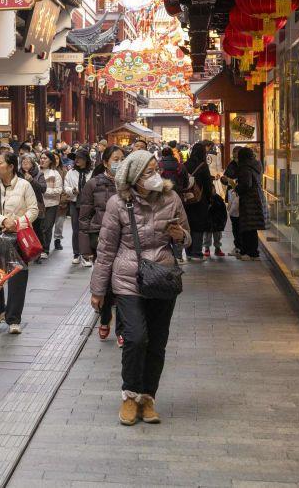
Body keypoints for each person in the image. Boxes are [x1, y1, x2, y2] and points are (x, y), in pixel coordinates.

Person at [89, 149, 189, 425]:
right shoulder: (118, 204)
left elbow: (186, 239)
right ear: (134, 177)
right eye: (148, 172)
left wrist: (180, 236)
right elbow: (106, 250)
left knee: (157, 341)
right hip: (128, 279)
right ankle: (130, 396)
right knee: (135, 338)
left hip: (162, 277)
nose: (155, 176)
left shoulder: (171, 198)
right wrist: (98, 290)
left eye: (156, 170)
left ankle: (148, 398)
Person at [0, 151, 39, 334]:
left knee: (17, 280)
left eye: (0, 163)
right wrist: (3, 221)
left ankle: (14, 319)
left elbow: (33, 210)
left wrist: (17, 224)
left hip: (18, 239)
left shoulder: (24, 186)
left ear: (11, 166)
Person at [78, 146, 124, 342]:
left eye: (122, 159)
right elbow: (84, 218)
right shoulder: (92, 185)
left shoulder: (130, 184)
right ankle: (105, 318)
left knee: (123, 284)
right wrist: (85, 248)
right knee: (104, 282)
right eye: (115, 159)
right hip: (101, 239)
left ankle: (122, 329)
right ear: (105, 162)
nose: (119, 163)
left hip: (124, 239)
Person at [182, 142, 214, 261]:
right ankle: (196, 252)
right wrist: (210, 198)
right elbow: (207, 184)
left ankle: (188, 252)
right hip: (200, 200)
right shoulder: (203, 165)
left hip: (187, 199)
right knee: (199, 226)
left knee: (188, 225)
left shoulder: (185, 165)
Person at [234, 147, 266, 261]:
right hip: (256, 198)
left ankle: (247, 252)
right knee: (252, 228)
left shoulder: (245, 167)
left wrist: (237, 188)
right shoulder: (256, 165)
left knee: (246, 227)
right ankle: (254, 252)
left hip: (248, 200)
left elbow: (246, 184)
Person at [64, 148, 92, 264]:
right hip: (74, 203)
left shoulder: (91, 172)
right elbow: (65, 187)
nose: (77, 160)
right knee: (75, 230)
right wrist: (73, 190)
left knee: (86, 230)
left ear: (86, 159)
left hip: (88, 204)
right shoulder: (71, 172)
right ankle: (76, 253)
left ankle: (86, 255)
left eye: (80, 158)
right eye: (76, 158)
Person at [18, 153, 47, 263]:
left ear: (32, 164)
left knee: (37, 230)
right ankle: (25, 251)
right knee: (24, 230)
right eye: (23, 163)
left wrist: (31, 180)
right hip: (22, 206)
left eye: (27, 163)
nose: (25, 165)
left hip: (36, 205)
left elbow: (43, 188)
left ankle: (38, 253)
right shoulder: (18, 174)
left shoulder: (39, 174)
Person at [38, 151, 62, 253]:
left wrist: (44, 190)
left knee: (47, 227)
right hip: (38, 204)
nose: (42, 160)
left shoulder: (55, 173)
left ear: (50, 161)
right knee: (38, 227)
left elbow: (59, 190)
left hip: (51, 204)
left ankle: (45, 249)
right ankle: (38, 249)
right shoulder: (36, 172)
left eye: (45, 158)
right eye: (41, 158)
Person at [206, 191, 228, 258]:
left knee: (217, 236)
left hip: (217, 222)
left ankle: (217, 249)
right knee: (207, 236)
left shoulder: (218, 198)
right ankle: (207, 249)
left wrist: (222, 221)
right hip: (208, 222)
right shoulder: (205, 198)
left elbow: (223, 211)